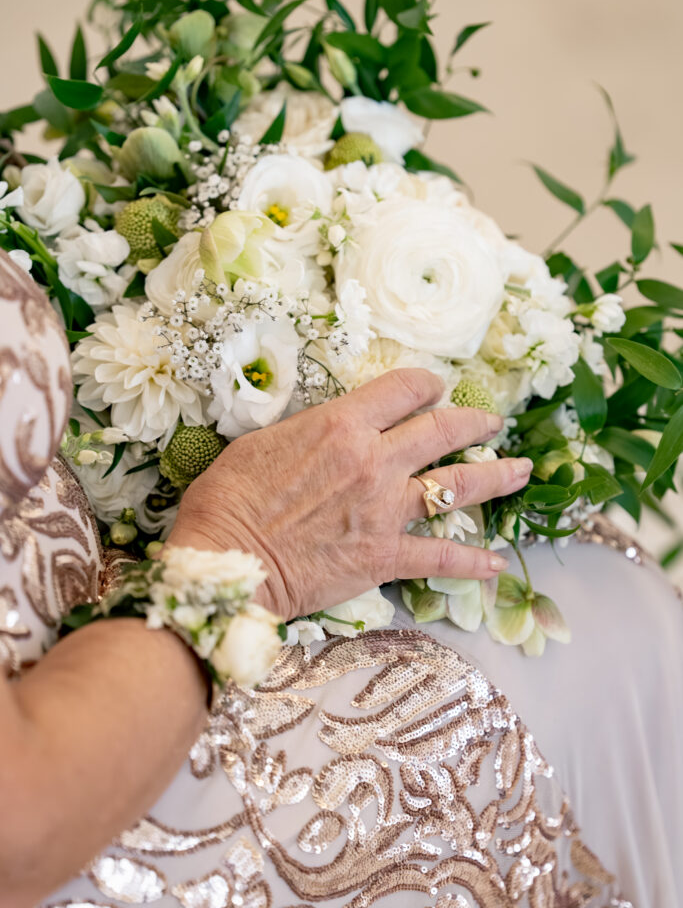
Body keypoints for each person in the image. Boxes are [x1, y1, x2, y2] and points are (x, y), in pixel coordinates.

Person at [1, 247, 681, 908]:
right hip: (92, 794)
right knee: (594, 629)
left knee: (592, 577)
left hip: (91, 593)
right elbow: (19, 830)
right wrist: (242, 554)